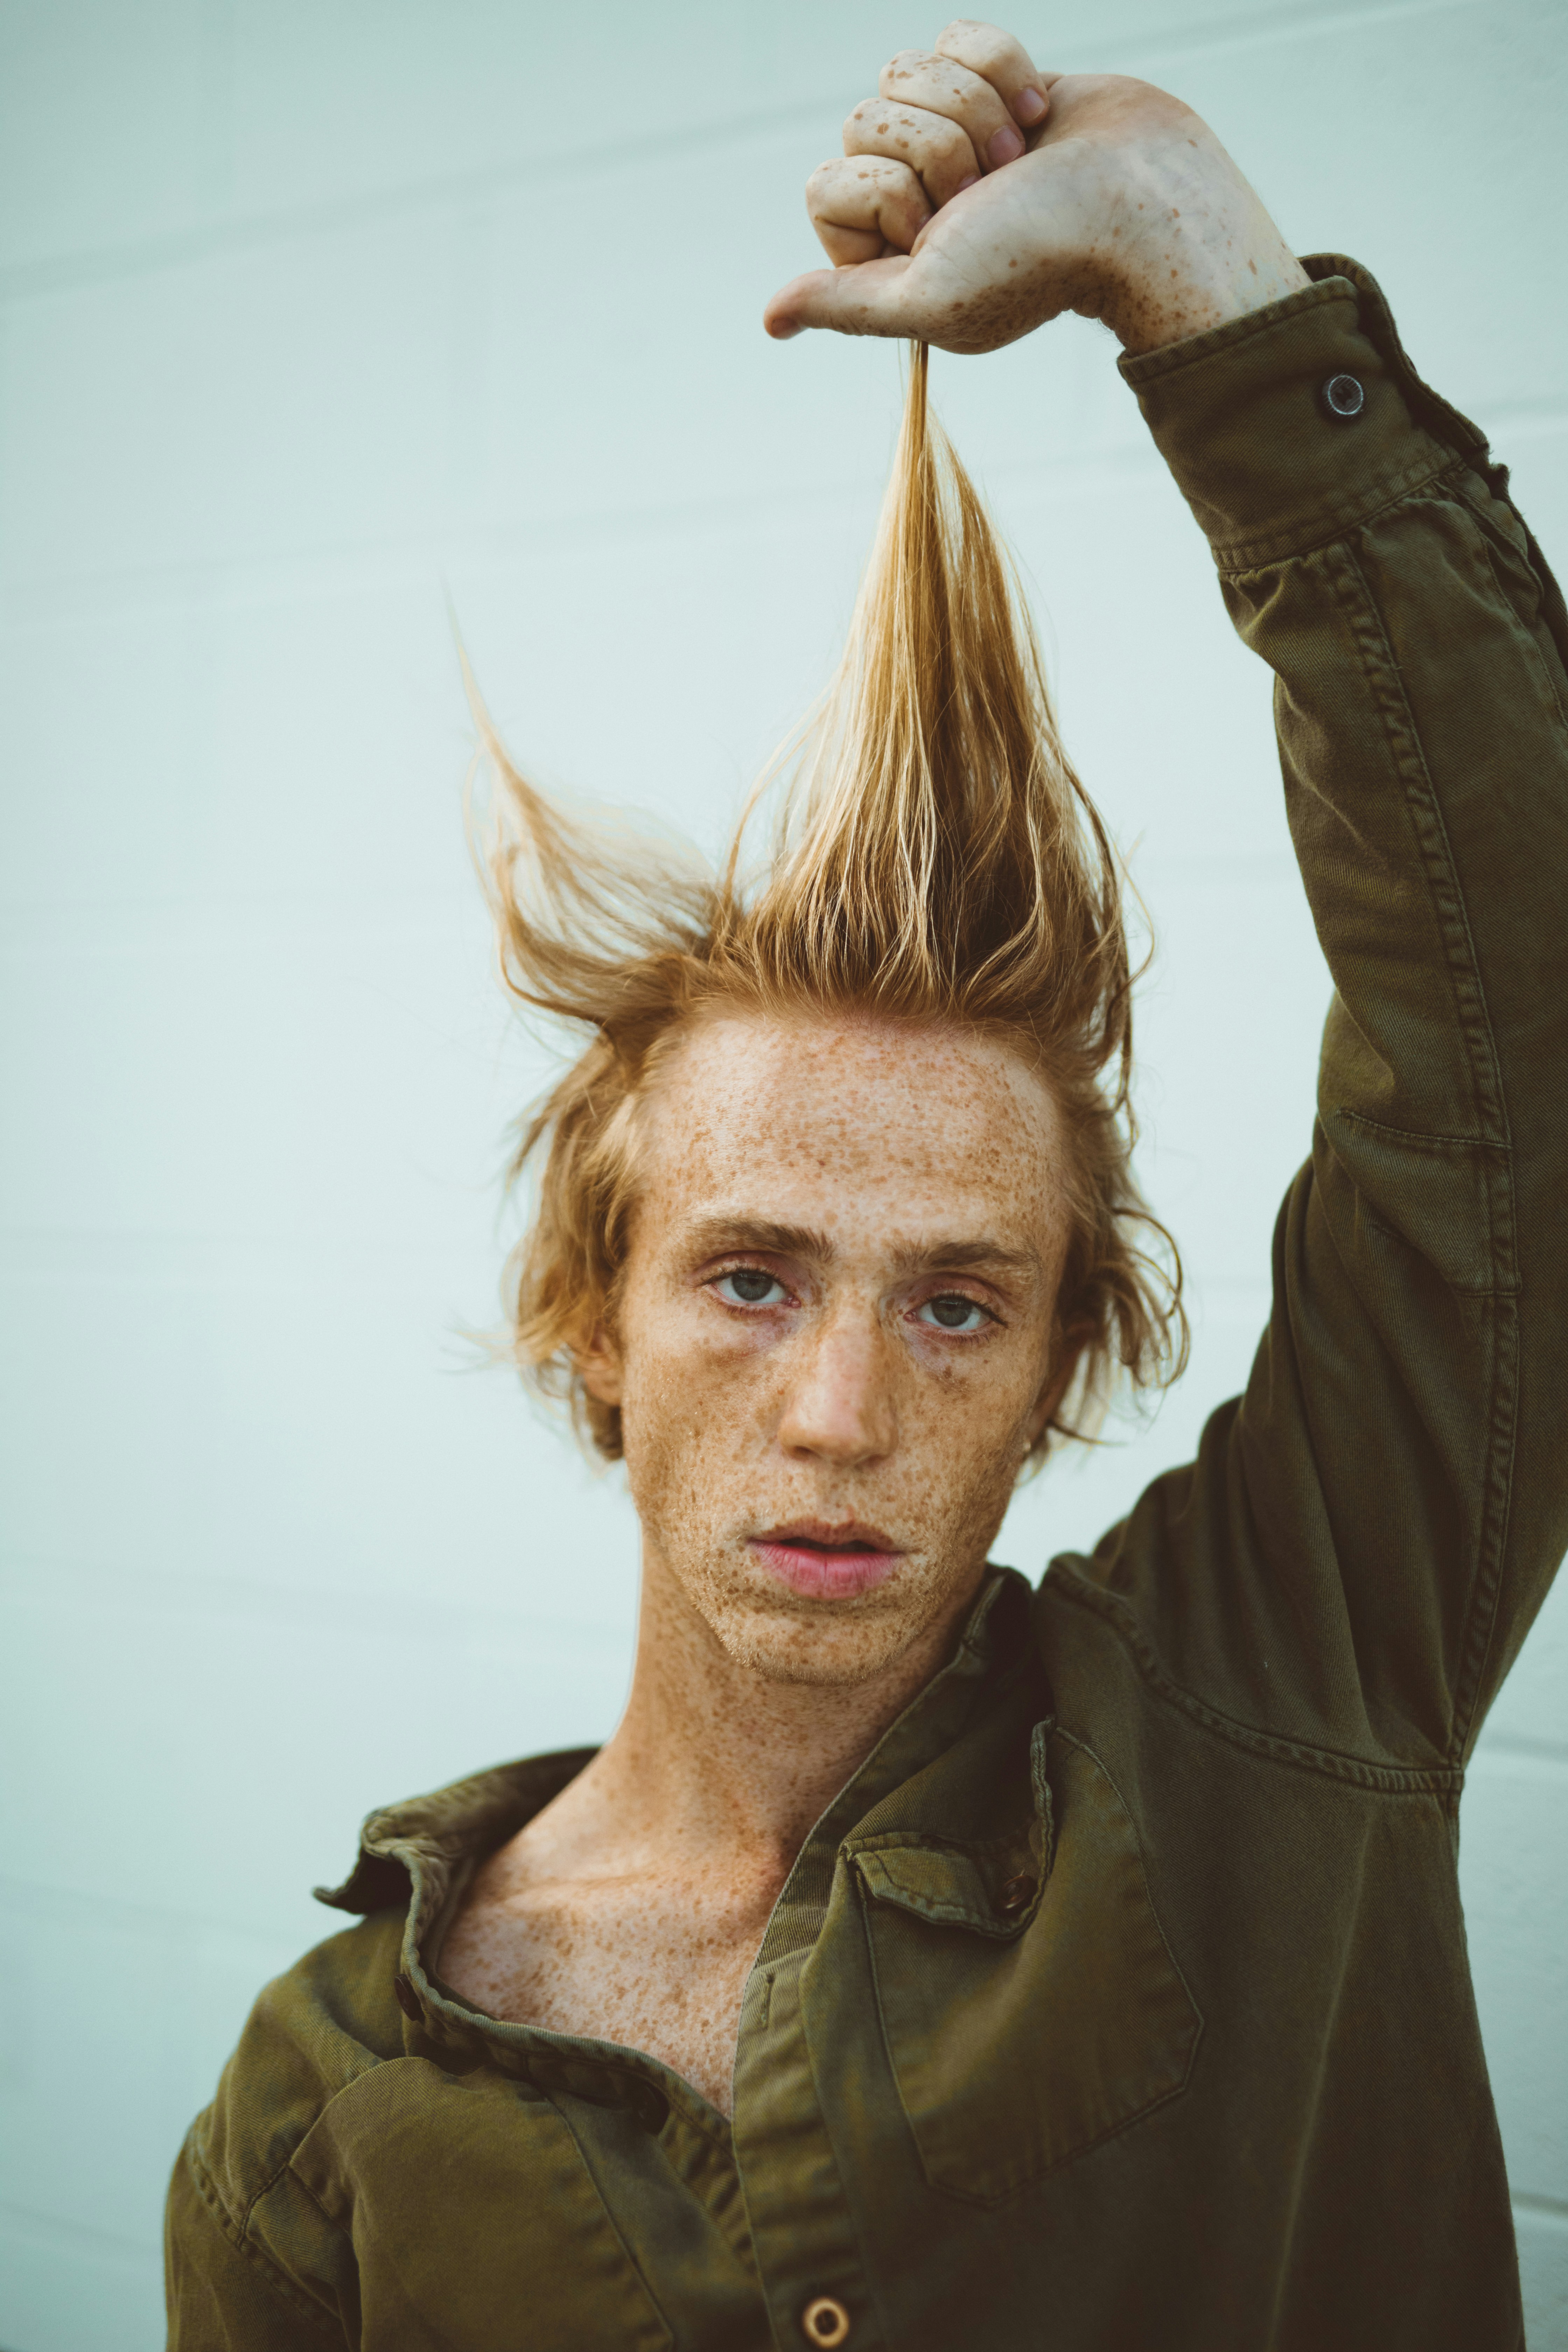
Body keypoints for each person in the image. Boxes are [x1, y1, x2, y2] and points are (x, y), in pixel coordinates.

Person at [165, 24, 1567, 2351]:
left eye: (955, 1303)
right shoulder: (327, 2114)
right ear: (590, 1317)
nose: (839, 1414)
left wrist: (1195, 265)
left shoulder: (1270, 1705)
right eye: (749, 1278)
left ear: (1064, 1363)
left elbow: (1527, 1064)